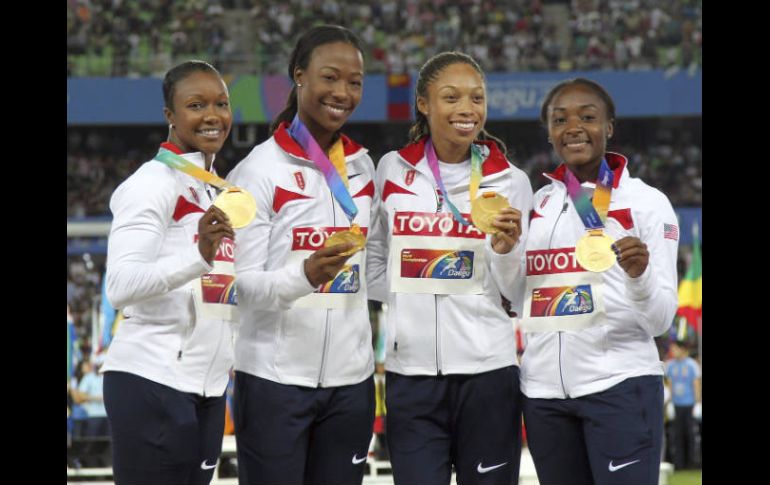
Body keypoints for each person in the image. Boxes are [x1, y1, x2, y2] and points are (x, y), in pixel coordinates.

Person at [367, 51, 533, 485]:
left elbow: (518, 292)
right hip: (411, 376)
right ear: (423, 103)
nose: (467, 109)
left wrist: (506, 252)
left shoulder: (511, 181)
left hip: (488, 374)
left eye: (476, 98)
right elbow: (374, 261)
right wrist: (408, 302)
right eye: (451, 97)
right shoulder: (392, 169)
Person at [226, 25, 376, 485]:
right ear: (299, 77)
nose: (343, 92)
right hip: (274, 382)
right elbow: (242, 285)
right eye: (330, 77)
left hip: (351, 384)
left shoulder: (363, 166)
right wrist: (304, 274)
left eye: (354, 82)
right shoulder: (257, 172)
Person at [518, 78, 679, 485]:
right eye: (560, 119)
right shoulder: (539, 204)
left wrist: (640, 276)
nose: (573, 127)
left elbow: (660, 321)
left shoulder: (646, 203)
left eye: (587, 117)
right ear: (550, 132)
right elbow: (517, 294)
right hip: (544, 397)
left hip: (619, 386)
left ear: (609, 127)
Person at [102, 60, 236, 485]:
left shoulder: (218, 186)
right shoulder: (153, 183)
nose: (212, 115)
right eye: (196, 104)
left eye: (221, 103)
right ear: (170, 116)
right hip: (153, 379)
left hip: (207, 387)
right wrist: (198, 256)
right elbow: (120, 287)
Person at [665, 339, 701, 470]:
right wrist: (669, 403)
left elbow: (696, 385)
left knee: (690, 435)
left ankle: (692, 463)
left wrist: (698, 403)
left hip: (689, 405)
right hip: (676, 405)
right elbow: (669, 384)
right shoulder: (670, 365)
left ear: (682, 349)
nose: (673, 352)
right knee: (677, 435)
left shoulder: (691, 365)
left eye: (675, 349)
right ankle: (679, 464)